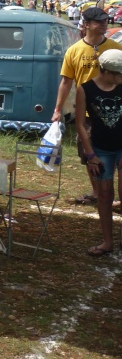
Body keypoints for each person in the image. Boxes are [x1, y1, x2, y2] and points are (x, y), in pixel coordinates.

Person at [52, 6, 122, 205]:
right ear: (87, 24)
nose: (104, 24)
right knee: (88, 151)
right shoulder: (74, 51)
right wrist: (58, 110)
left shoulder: (116, 48)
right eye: (99, 22)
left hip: (114, 111)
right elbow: (66, 82)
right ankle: (98, 192)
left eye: (106, 21)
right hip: (88, 114)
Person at [76, 49, 122, 256]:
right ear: (108, 72)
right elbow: (80, 124)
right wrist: (90, 154)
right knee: (104, 195)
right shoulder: (85, 89)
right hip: (101, 149)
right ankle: (107, 242)